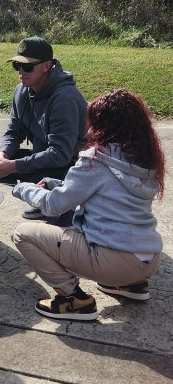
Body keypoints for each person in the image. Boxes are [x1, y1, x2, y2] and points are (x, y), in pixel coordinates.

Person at [10, 89, 165, 322]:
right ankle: (129, 285)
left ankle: (73, 299)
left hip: (113, 263)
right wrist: (55, 184)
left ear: (101, 124)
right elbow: (107, 191)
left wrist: (23, 188)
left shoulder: (95, 159)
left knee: (23, 234)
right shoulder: (145, 158)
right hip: (149, 260)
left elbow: (53, 205)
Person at [0, 37, 87, 217]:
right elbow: (14, 132)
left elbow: (61, 154)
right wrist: (3, 155)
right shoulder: (21, 91)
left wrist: (14, 166)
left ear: (46, 66)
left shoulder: (64, 98)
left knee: (31, 173)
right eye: (17, 66)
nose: (21, 72)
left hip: (74, 164)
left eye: (27, 67)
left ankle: (58, 203)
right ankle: (43, 198)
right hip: (47, 157)